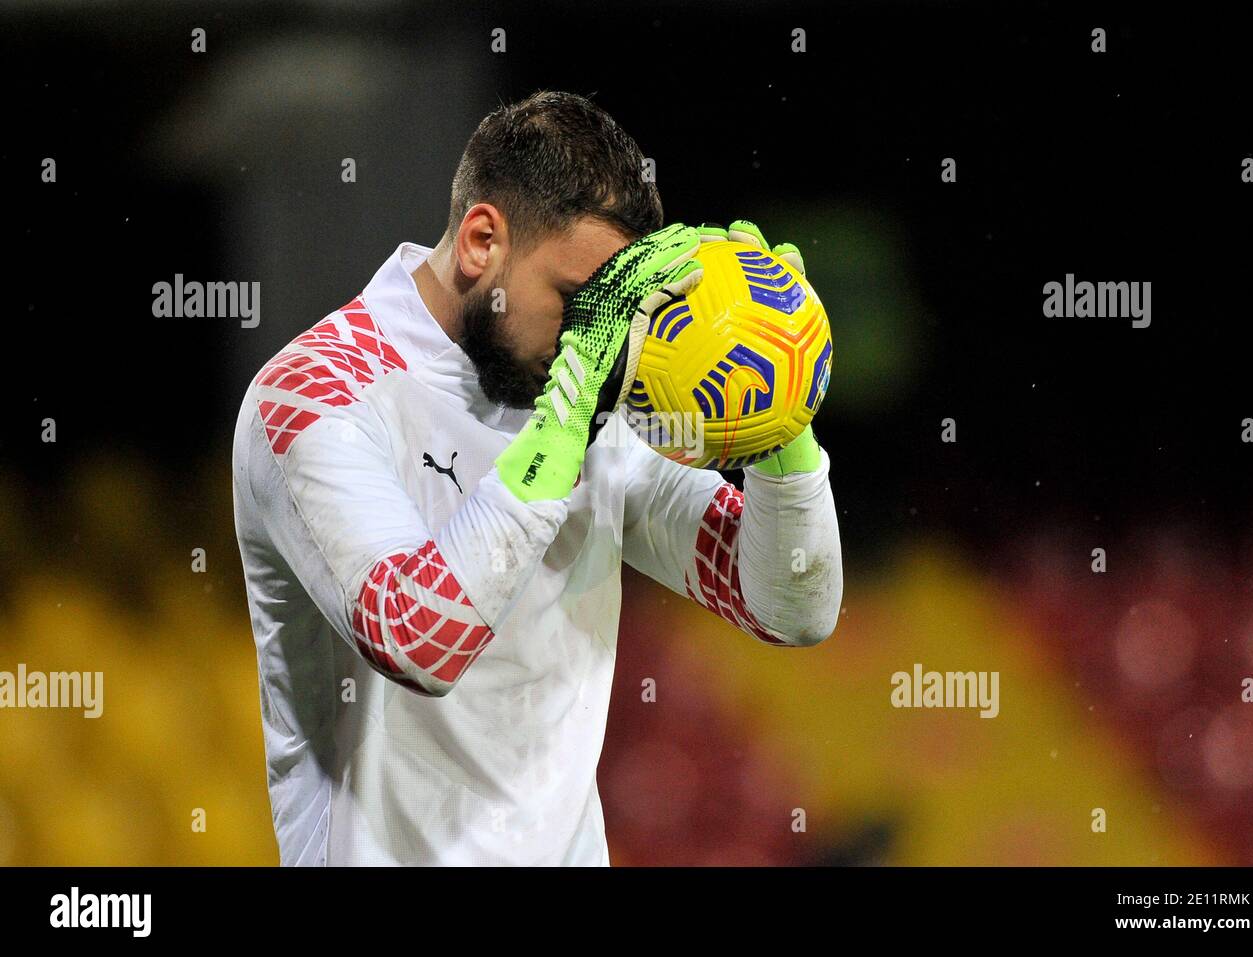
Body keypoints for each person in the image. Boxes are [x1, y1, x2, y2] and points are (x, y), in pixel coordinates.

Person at [232, 89, 843, 865]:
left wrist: (779, 414)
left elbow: (787, 605)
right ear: (482, 240)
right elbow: (419, 640)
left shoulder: (589, 389)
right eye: (578, 301)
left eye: (617, 315)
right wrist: (564, 425)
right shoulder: (319, 392)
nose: (594, 338)